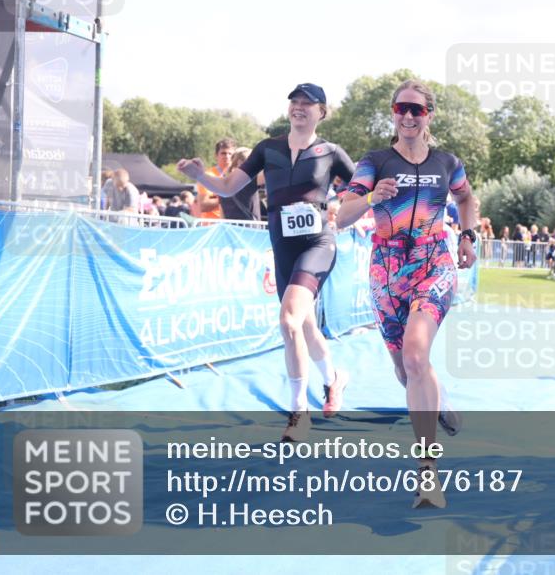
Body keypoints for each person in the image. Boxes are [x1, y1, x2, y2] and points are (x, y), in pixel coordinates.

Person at [177, 83, 354, 442]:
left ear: (322, 112)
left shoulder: (331, 152)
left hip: (318, 242)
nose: (300, 108)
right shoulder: (267, 149)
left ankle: (298, 412)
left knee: (288, 320)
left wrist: (346, 207)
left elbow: (364, 189)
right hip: (283, 245)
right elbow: (227, 187)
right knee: (303, 326)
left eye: (309, 103)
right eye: (295, 102)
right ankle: (334, 379)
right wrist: (199, 177)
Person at [337, 79, 476, 509]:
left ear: (429, 115)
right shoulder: (374, 162)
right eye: (402, 108)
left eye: (418, 109)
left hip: (434, 262)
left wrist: (468, 235)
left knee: (416, 355)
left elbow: (467, 198)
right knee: (406, 371)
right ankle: (440, 398)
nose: (409, 116)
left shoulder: (447, 162)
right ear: (393, 113)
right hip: (387, 270)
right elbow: (342, 215)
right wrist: (371, 197)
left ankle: (428, 473)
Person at [194, 139, 236, 219]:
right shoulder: (207, 175)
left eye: (230, 154)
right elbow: (203, 206)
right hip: (212, 226)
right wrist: (227, 198)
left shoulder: (237, 176)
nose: (227, 156)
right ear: (216, 155)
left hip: (232, 225)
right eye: (223, 153)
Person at [219, 146, 262, 221]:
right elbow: (272, 174)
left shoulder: (223, 181)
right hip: (250, 228)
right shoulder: (251, 179)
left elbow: (221, 212)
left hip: (229, 228)